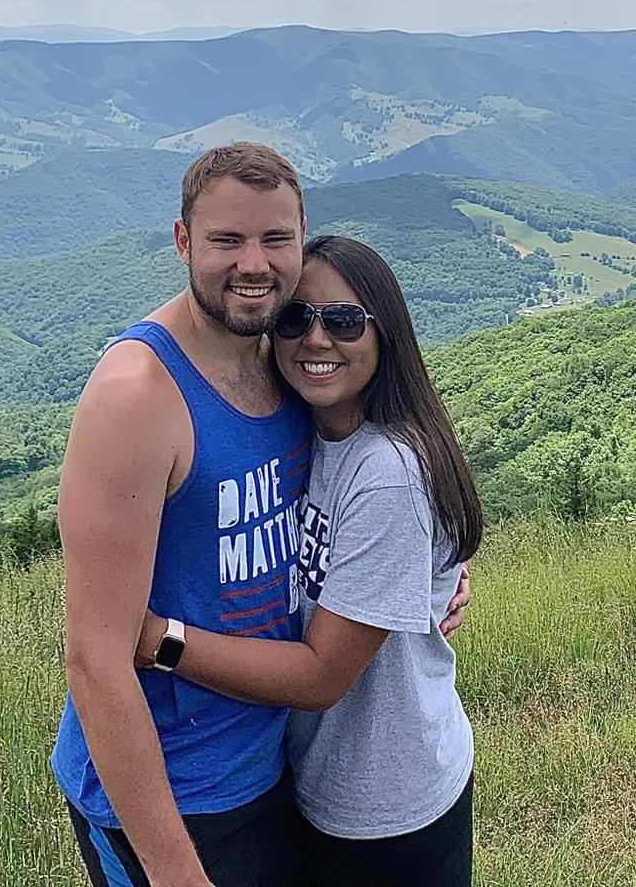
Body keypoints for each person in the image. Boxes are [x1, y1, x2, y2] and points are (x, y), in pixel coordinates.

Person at [136, 234, 482, 887]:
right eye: (296, 317)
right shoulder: (303, 431)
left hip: (386, 807)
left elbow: (323, 677)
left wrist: (159, 640)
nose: (317, 339)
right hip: (309, 779)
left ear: (386, 335)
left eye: (345, 320)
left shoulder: (387, 471)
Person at [52, 143, 312, 887]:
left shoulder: (289, 354)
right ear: (182, 241)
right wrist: (173, 872)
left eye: (274, 239)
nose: (253, 264)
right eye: (226, 240)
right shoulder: (137, 397)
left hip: (271, 762)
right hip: (172, 798)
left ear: (302, 236)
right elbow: (95, 660)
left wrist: (430, 580)